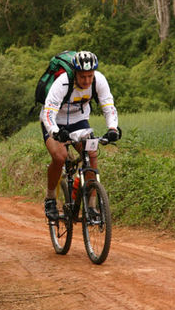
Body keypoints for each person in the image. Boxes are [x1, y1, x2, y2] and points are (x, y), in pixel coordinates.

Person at [40, 51, 120, 221]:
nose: (87, 81)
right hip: (55, 122)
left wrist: (112, 128)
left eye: (89, 76)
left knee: (91, 155)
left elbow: (108, 106)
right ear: (75, 73)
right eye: (83, 77)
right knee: (60, 157)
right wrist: (55, 131)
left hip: (79, 121)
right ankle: (50, 198)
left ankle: (91, 207)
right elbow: (48, 113)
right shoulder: (62, 83)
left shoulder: (99, 80)